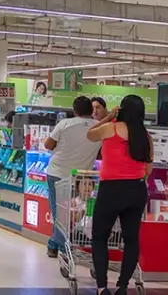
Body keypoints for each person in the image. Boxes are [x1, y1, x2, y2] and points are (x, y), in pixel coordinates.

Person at [86, 95, 153, 295]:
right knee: (131, 239)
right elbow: (148, 168)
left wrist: (108, 117)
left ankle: (102, 287)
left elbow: (89, 134)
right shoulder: (145, 135)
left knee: (99, 237)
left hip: (111, 190)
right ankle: (122, 286)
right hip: (138, 190)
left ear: (122, 109)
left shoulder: (111, 128)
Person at [44, 96, 101, 259]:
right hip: (81, 178)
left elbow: (48, 145)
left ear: (74, 111)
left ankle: (62, 248)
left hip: (58, 173)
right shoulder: (98, 128)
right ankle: (54, 245)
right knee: (75, 212)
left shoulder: (64, 124)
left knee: (60, 214)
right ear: (91, 110)